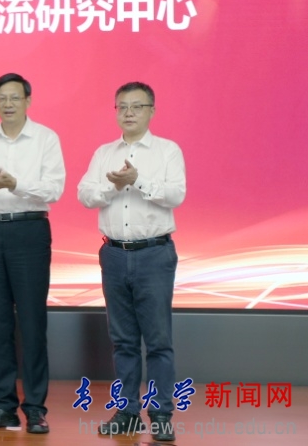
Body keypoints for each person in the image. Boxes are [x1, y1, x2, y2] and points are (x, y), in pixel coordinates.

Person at [77, 81, 186, 443]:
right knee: (123, 341)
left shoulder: (167, 151)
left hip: (154, 254)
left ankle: (161, 415)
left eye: (137, 106)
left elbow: (175, 194)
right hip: (113, 253)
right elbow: (85, 195)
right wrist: (114, 185)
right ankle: (127, 413)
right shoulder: (104, 153)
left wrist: (137, 180)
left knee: (157, 340)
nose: (128, 113)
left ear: (151, 111)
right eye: (122, 106)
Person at [0, 72, 65, 434]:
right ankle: (3, 405)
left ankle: (35, 408)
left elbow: (54, 188)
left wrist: (14, 184)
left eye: (14, 98)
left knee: (32, 321)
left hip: (30, 231)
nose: (7, 104)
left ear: (28, 101)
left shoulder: (46, 138)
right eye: (1, 98)